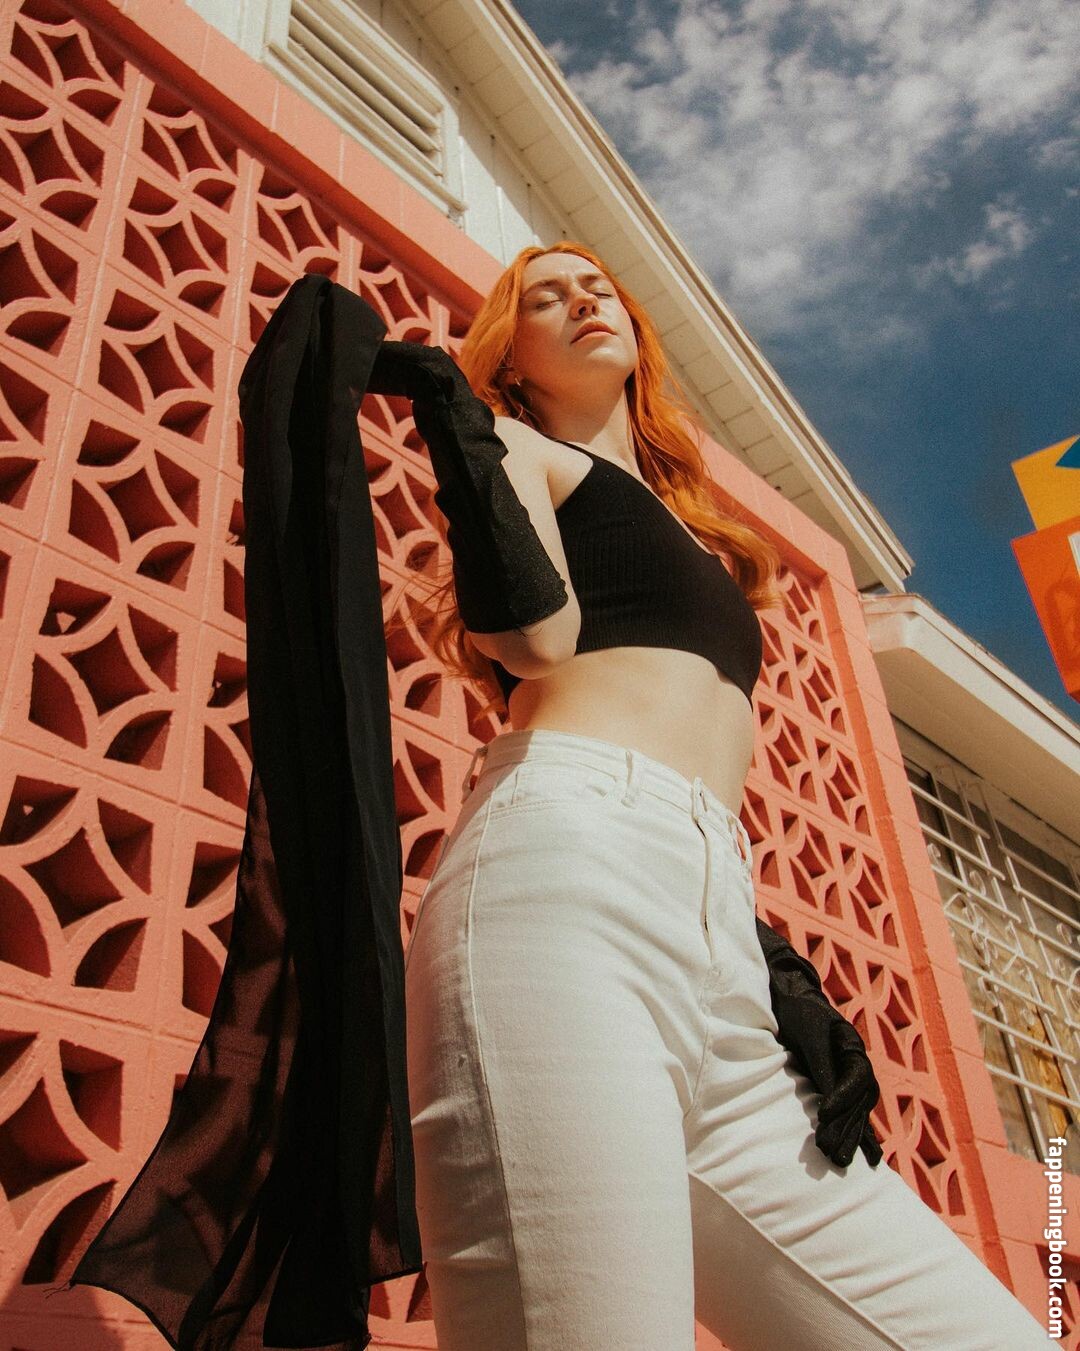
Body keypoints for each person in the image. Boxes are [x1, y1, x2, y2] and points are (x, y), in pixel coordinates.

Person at [398, 242, 1051, 1349]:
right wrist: (468, 436)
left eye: (598, 286)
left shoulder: (681, 523)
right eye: (546, 296)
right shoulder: (519, 448)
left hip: (719, 933)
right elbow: (536, 640)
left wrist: (765, 962)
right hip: (569, 879)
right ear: (510, 354)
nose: (582, 298)